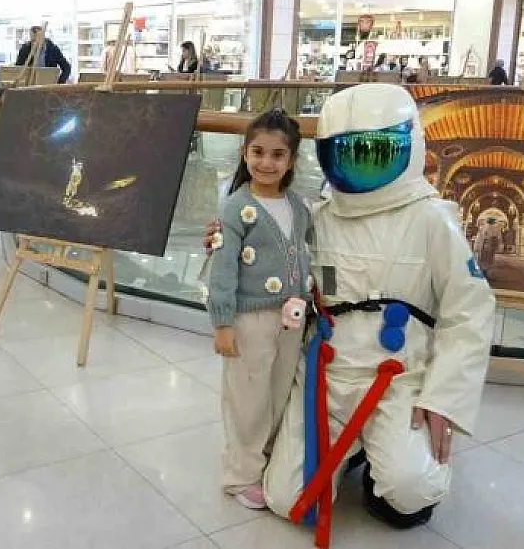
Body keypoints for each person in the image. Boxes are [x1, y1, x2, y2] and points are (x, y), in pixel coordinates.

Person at [206, 84, 496, 529]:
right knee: (287, 498)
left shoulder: (432, 220)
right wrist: (224, 241)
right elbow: (271, 253)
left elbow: (469, 311)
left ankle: (383, 453)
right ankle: (359, 447)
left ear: (409, 146)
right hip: (330, 371)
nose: (359, 167)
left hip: (400, 375)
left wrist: (445, 398)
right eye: (347, 154)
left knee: (409, 492)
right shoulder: (317, 214)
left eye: (374, 153)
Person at [207, 109, 313, 511]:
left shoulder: (299, 207)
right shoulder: (236, 207)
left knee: (278, 391)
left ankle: (265, 461)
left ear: (291, 160)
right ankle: (241, 475)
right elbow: (223, 267)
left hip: (291, 321)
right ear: (244, 153)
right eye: (258, 152)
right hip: (249, 320)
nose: (266, 163)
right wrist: (223, 323)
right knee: (247, 396)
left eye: (277, 155)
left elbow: (311, 253)